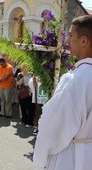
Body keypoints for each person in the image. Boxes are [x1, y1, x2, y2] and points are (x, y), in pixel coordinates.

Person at [33, 15, 92, 170]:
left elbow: (54, 127)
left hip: (71, 158)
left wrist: (40, 158)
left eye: (71, 35)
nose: (68, 41)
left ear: (84, 41)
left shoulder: (74, 80)